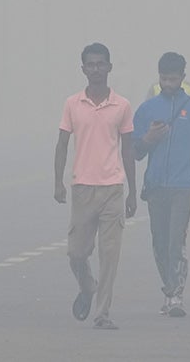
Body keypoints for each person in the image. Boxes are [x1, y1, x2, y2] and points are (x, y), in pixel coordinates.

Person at [53, 43, 136, 330]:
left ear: (110, 67)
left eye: (101, 64)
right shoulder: (72, 104)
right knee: (76, 253)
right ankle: (87, 286)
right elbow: (62, 144)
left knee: (109, 256)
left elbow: (128, 149)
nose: (96, 69)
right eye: (91, 64)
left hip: (112, 188)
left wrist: (132, 192)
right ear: (83, 69)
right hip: (82, 188)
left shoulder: (122, 105)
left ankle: (102, 313)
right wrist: (58, 183)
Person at [133, 52, 190, 318]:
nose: (169, 84)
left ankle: (176, 295)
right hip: (156, 186)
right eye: (164, 79)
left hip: (184, 186)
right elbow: (135, 151)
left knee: (175, 242)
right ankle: (168, 288)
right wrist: (149, 138)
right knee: (159, 243)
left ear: (183, 77)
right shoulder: (147, 109)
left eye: (173, 79)